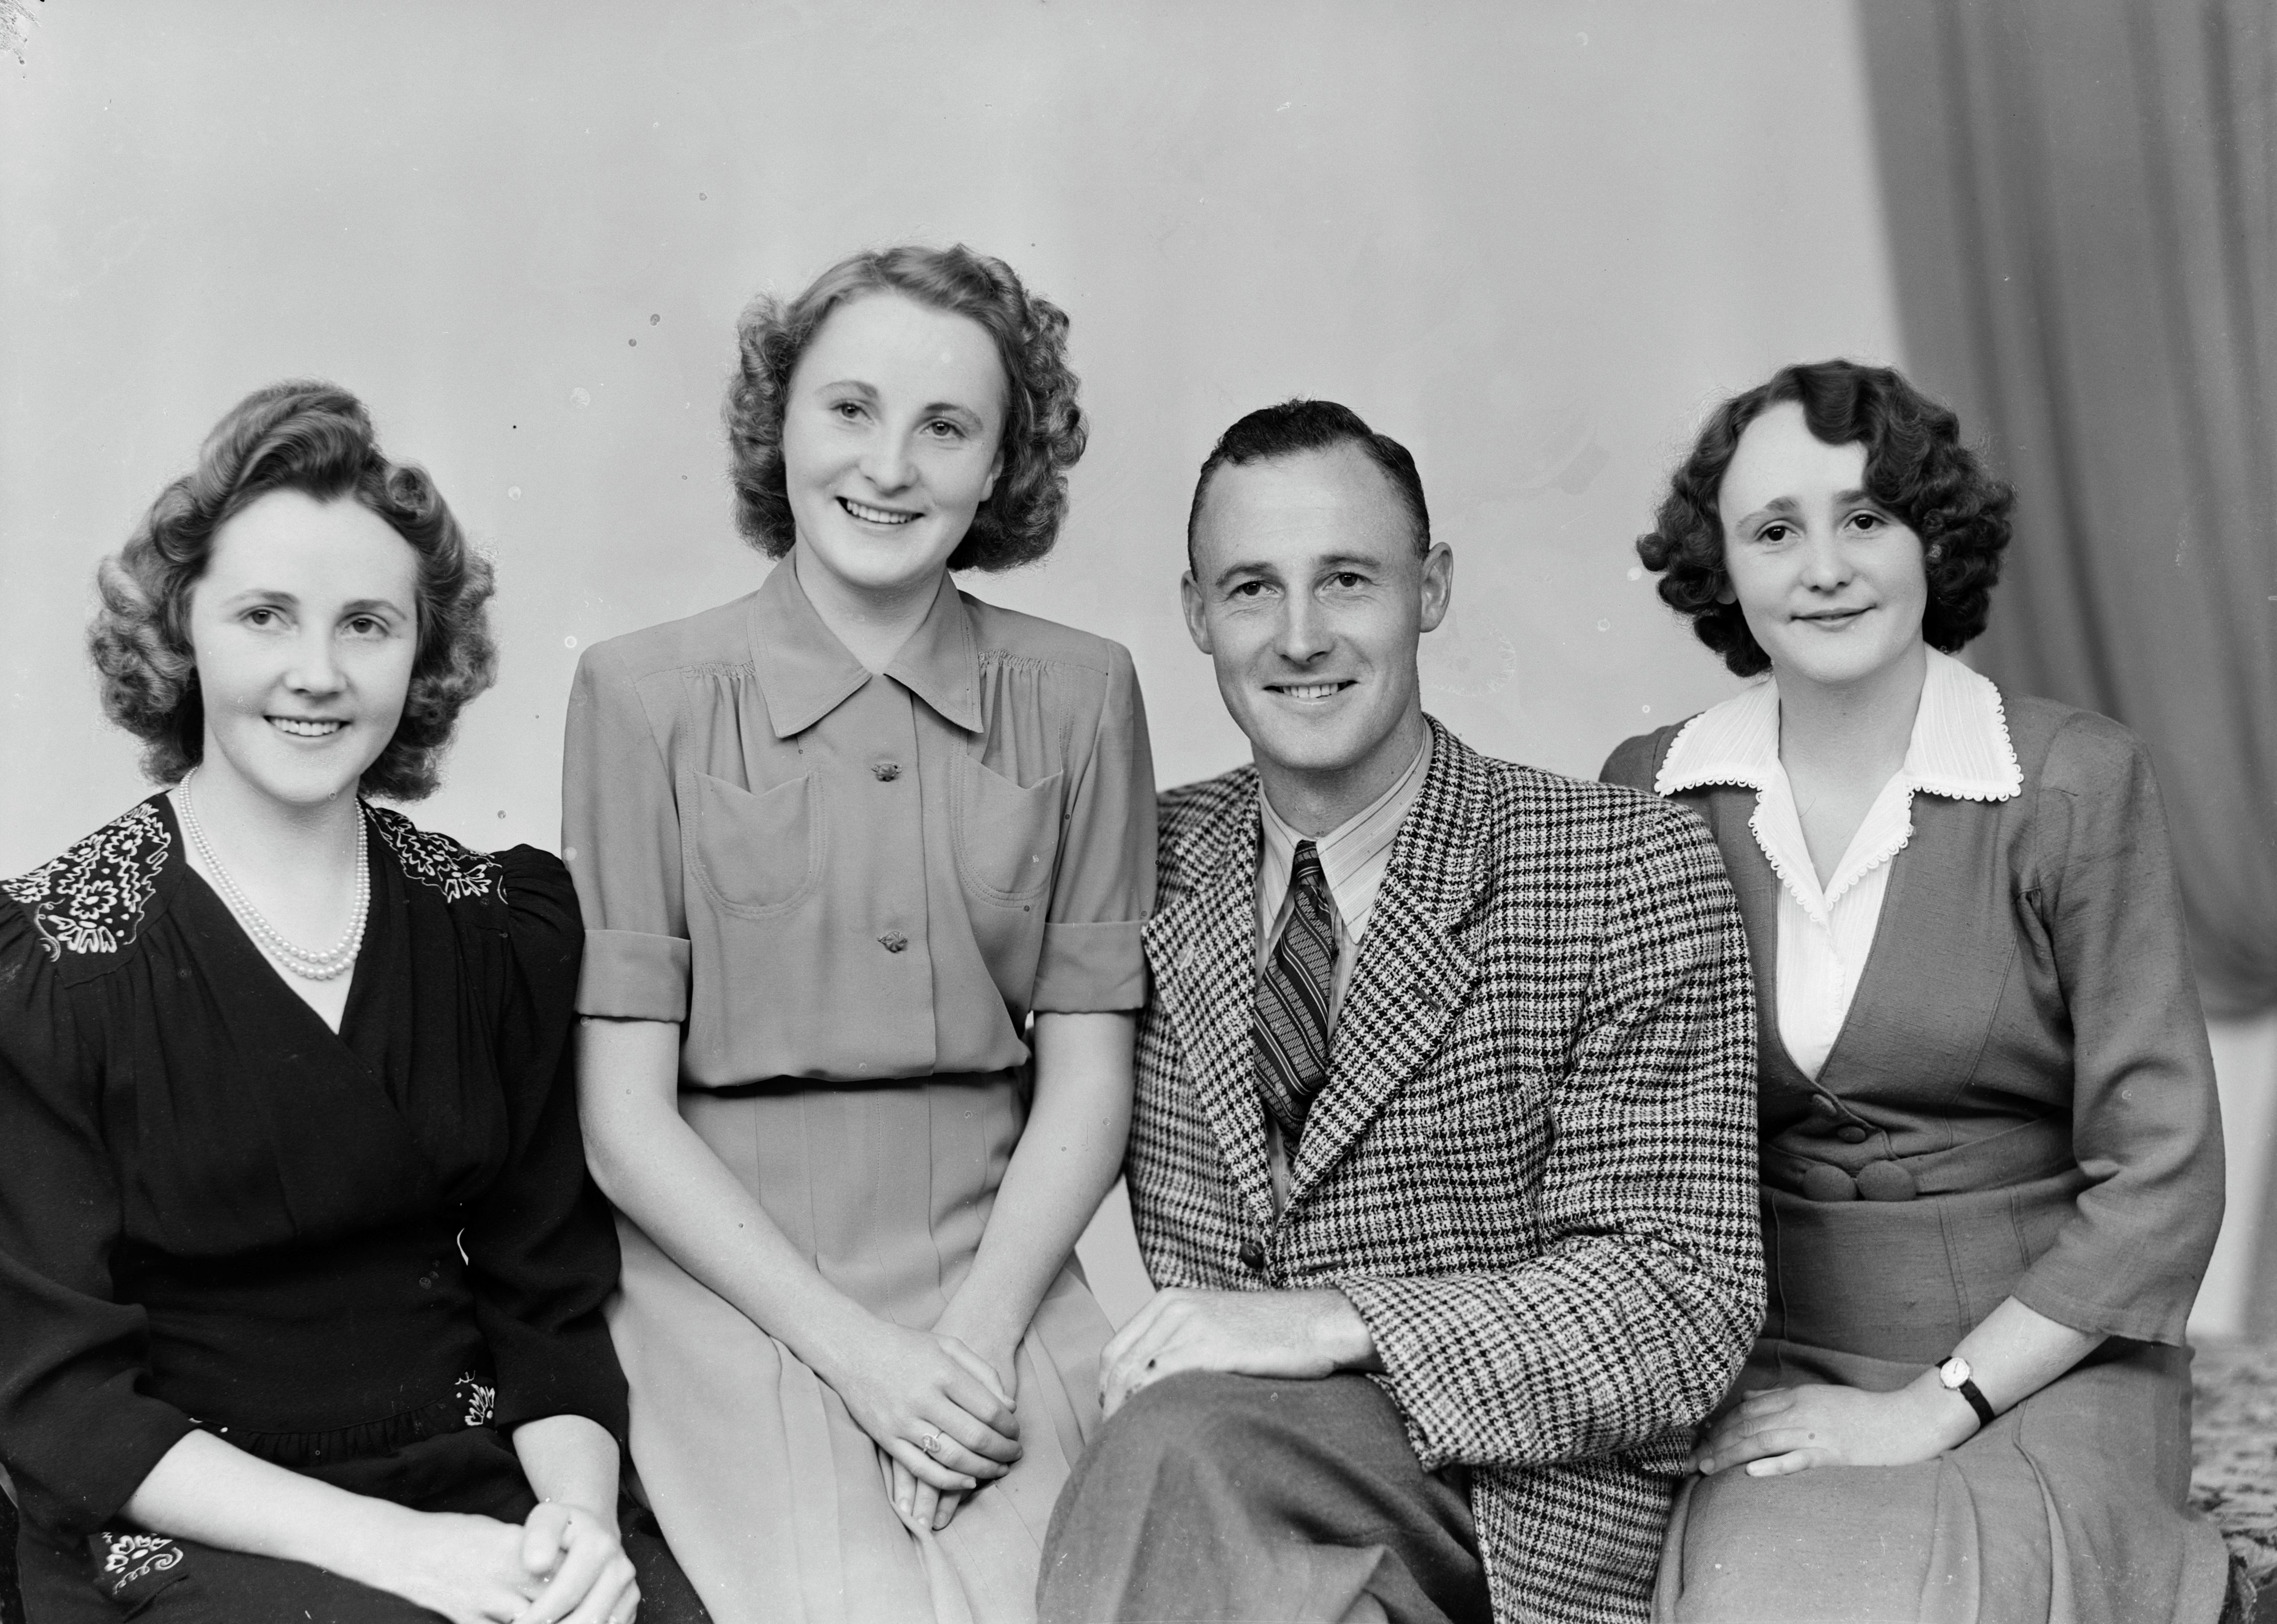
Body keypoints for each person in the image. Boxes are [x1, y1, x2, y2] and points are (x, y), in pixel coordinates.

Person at [1037, 399, 1764, 1624]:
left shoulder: (1617, 862)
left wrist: (1328, 1322)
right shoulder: (1135, 865)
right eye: (1253, 589)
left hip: (1507, 1512)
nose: (1301, 636)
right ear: (1194, 613)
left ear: (1427, 589)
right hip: (1234, 1531)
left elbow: (1681, 1298)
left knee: (1173, 1451)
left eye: (1348, 581)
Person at [0, 382, 703, 1624]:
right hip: (197, 1521)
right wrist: (406, 1556)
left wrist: (581, 1532)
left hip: (489, 1492)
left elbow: (548, 1306)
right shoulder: (56, 960)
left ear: (423, 656)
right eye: (266, 616)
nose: (317, 675)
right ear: (183, 632)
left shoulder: (498, 929)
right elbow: (63, 1408)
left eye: (367, 626)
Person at [563, 245, 1153, 1624]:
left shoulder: (1083, 695)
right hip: (729, 1275)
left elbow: (1088, 1070)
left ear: (1004, 470)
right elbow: (620, 1121)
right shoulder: (641, 696)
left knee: (1101, 1592)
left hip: (1001, 1258)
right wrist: (866, 1364)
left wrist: (979, 1343)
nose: (889, 466)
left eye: (945, 427)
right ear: (780, 428)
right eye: (850, 410)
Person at [1601, 359, 2230, 1623]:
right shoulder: (1647, 790)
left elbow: (2160, 1175)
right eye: (1774, 532)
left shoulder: (2069, 782)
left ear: (1931, 541)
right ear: (1720, 569)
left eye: (1864, 518)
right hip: (1768, 1353)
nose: (1822, 567)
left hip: (2046, 1357)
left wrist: (1927, 1408)